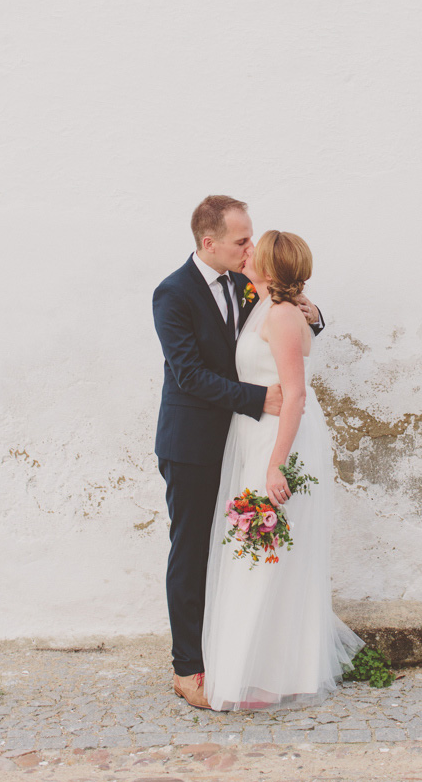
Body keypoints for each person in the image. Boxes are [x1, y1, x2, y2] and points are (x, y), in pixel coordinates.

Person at [152, 196, 323, 709]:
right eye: (241, 240)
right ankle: (188, 669)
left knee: (235, 551)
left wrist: (312, 314)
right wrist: (256, 399)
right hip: (193, 442)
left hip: (244, 442)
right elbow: (189, 373)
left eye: (251, 238)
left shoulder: (247, 282)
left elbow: (280, 323)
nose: (251, 247)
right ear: (210, 242)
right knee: (190, 549)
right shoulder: (173, 293)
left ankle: (236, 656)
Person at [202, 230, 364, 711]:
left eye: (255, 250)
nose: (246, 253)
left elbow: (294, 393)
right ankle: (259, 668)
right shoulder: (267, 304)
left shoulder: (283, 316)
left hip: (282, 440)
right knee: (256, 550)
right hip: (257, 436)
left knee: (268, 551)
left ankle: (272, 676)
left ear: (270, 271)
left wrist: (277, 466)